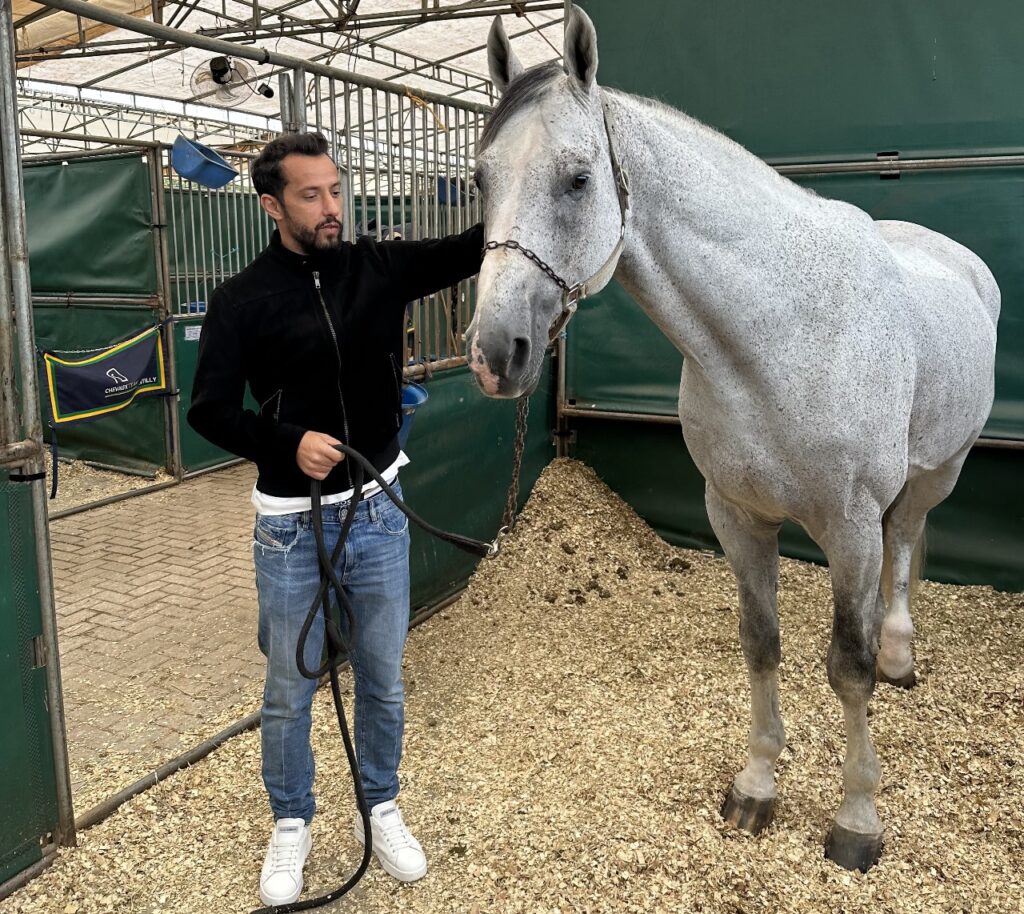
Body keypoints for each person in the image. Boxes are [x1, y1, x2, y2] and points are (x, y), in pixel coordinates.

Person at [188, 131, 483, 907]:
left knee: (383, 680)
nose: (331, 208)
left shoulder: (376, 268)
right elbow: (209, 410)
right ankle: (292, 821)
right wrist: (286, 441)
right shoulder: (240, 300)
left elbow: (472, 248)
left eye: (335, 189)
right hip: (288, 525)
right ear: (272, 205)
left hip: (379, 510)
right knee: (290, 689)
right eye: (311, 194)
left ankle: (379, 806)